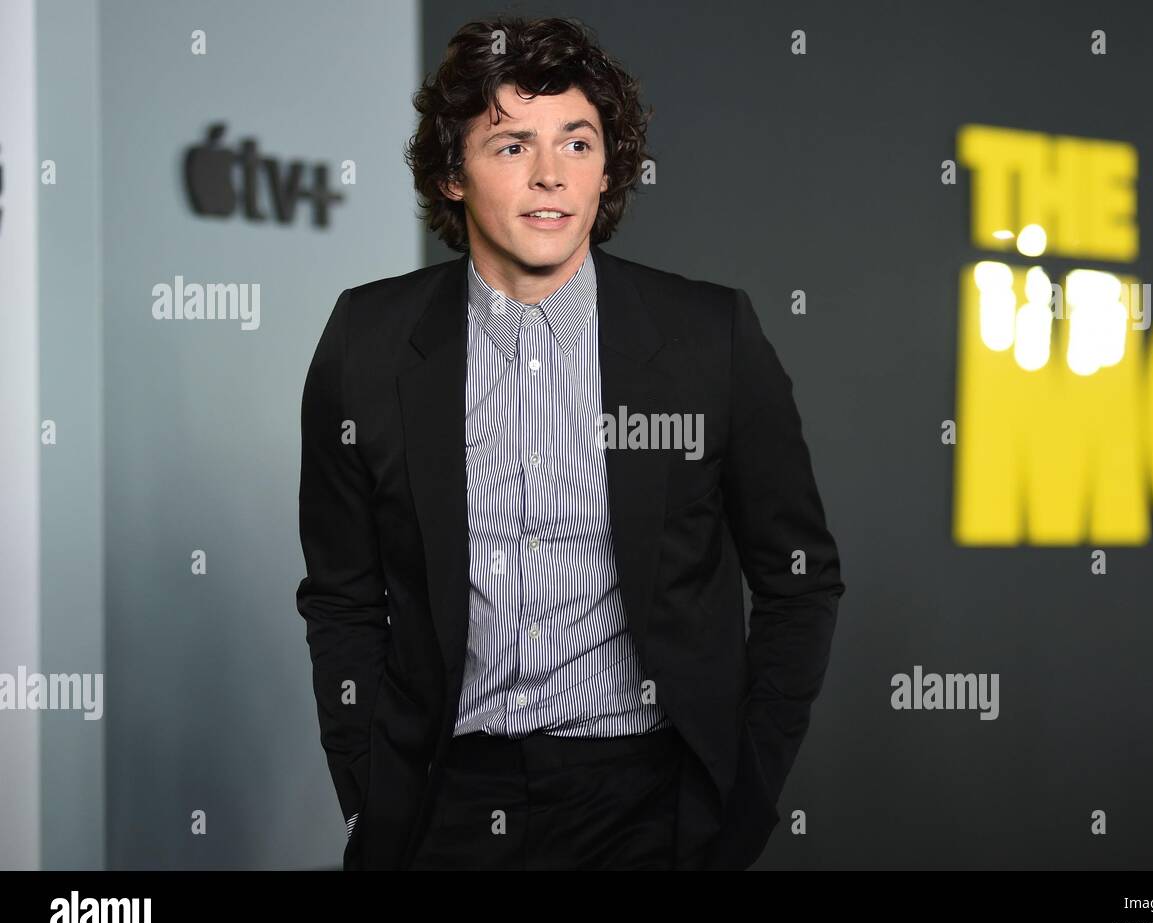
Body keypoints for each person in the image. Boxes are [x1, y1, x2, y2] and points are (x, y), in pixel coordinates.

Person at [295, 15, 844, 870]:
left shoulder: (709, 337)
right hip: (440, 803)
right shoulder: (366, 340)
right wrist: (370, 787)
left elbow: (799, 580)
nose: (550, 176)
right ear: (451, 172)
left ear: (608, 168)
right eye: (512, 145)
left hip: (645, 805)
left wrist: (740, 798)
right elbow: (341, 596)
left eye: (578, 143)